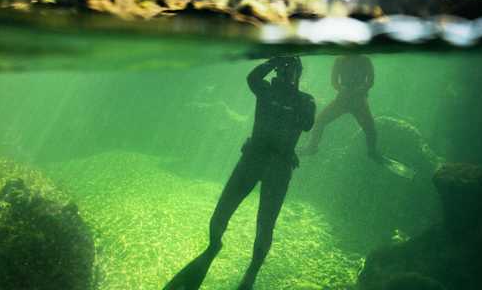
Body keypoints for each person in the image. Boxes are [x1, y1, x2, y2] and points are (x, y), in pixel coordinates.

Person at [163, 55, 315, 290]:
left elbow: (307, 123)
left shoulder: (305, 101)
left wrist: (288, 88)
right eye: (282, 69)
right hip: (254, 158)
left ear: (298, 73)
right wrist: (274, 62)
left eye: (290, 69)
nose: (285, 73)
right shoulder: (265, 91)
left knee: (265, 223)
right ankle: (214, 246)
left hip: (278, 165)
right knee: (222, 210)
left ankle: (251, 274)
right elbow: (252, 77)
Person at [301, 54, 381, 161]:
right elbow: (335, 82)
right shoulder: (345, 59)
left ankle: (372, 151)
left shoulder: (361, 59)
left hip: (354, 99)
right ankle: (312, 146)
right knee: (320, 120)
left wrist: (356, 90)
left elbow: (370, 81)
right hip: (349, 99)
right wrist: (345, 89)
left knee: (370, 128)